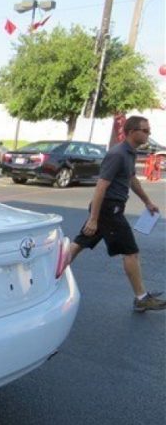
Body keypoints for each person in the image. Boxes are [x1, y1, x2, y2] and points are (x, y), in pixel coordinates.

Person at [68, 116, 164, 312]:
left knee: (79, 243)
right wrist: (94, 219)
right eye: (145, 130)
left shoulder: (130, 153)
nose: (148, 134)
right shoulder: (118, 154)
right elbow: (100, 187)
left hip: (110, 209)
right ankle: (141, 298)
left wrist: (147, 202)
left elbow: (131, 178)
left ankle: (50, 276)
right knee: (131, 252)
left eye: (149, 130)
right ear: (131, 132)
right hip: (108, 210)